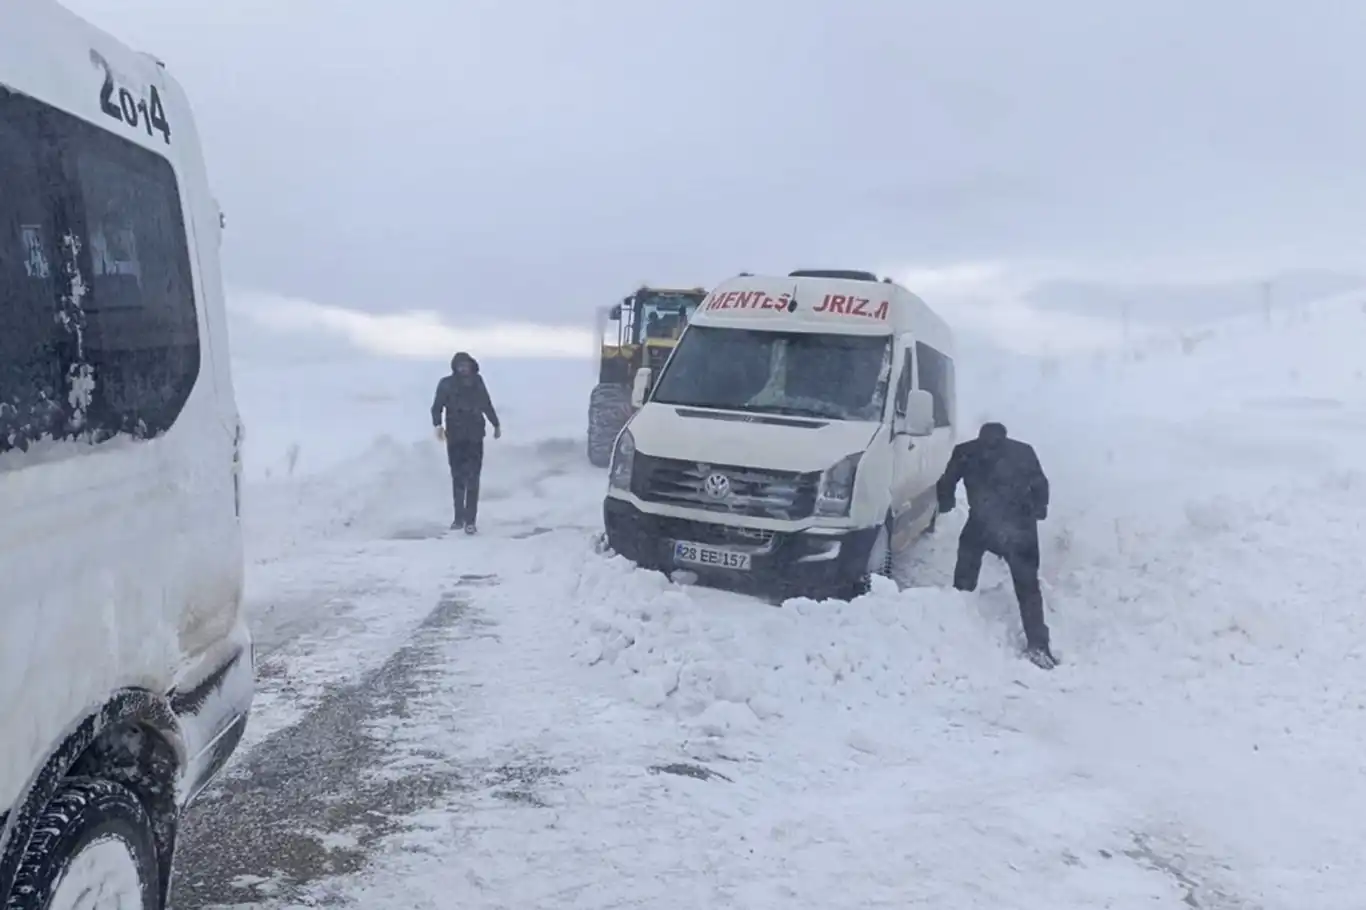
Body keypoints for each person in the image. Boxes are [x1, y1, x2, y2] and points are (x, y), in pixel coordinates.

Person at [936, 421, 1057, 669]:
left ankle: (956, 621)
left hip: (983, 523)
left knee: (965, 571)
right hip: (1019, 526)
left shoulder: (966, 451)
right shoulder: (1023, 451)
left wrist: (946, 503)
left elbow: (946, 482)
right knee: (1028, 586)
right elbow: (1040, 484)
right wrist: (1039, 509)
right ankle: (1038, 644)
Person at [430, 351, 501, 533]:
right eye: (459, 365)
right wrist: (438, 425)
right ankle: (458, 518)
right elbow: (437, 407)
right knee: (458, 477)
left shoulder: (477, 382)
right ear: (454, 367)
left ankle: (471, 521)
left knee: (473, 478)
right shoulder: (446, 384)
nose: (463, 368)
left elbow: (486, 403)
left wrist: (496, 423)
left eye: (465, 365)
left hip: (475, 436)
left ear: (471, 366)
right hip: (454, 436)